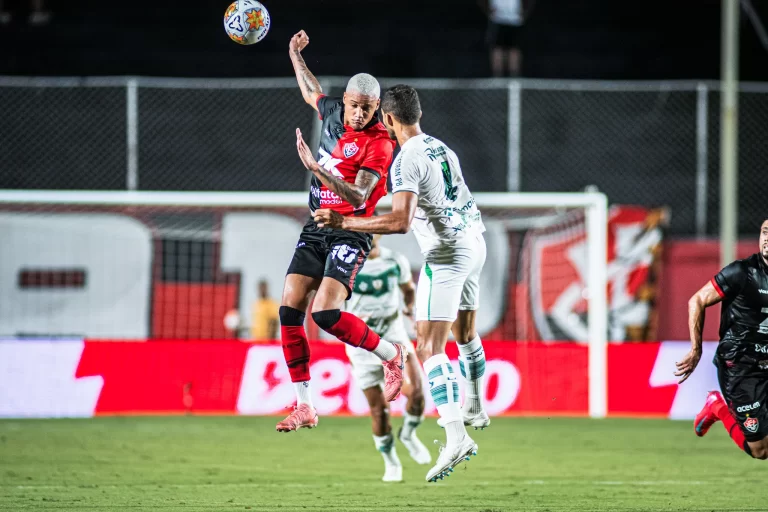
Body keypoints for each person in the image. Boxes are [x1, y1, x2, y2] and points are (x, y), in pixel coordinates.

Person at [306, 85, 490, 482]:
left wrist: (345, 222)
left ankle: (456, 435)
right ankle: (475, 406)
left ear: (387, 119)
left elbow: (401, 222)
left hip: (447, 255)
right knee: (467, 332)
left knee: (428, 346)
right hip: (476, 242)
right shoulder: (441, 146)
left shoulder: (406, 160)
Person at [276, 30, 405, 433]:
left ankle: (391, 353)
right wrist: (295, 54)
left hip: (350, 230)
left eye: (366, 109)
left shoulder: (381, 143)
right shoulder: (332, 111)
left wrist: (316, 170)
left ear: (377, 107)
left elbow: (360, 193)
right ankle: (305, 405)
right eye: (353, 107)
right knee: (289, 313)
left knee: (327, 313)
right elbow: (312, 91)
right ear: (345, 101)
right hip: (317, 226)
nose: (357, 115)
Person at [676, 219, 768, 460]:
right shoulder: (742, 272)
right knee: (761, 450)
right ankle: (717, 407)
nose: (767, 239)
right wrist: (696, 349)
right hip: (740, 367)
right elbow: (697, 300)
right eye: (765, 232)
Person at [344, 234, 431, 482]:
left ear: (380, 231)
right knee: (380, 411)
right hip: (361, 346)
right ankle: (391, 461)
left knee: (416, 393)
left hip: (394, 338)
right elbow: (331, 301)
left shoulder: (395, 260)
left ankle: (409, 434)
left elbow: (408, 289)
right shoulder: (346, 263)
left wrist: (409, 306)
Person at [478, 0, 528, 77]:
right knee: (497, 51)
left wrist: (524, 11)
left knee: (514, 51)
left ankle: (514, 83)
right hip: (498, 19)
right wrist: (488, 10)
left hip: (514, 19)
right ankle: (498, 82)